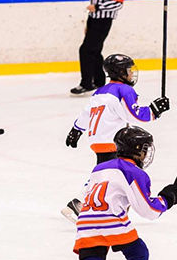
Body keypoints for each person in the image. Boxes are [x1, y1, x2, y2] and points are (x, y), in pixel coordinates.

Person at [25, 126, 177, 260]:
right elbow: (148, 210)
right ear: (138, 150)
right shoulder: (133, 172)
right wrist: (167, 198)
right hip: (109, 220)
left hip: (86, 222)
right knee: (138, 251)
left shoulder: (100, 168)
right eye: (145, 149)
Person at [61, 53, 170, 222]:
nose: (132, 74)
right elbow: (133, 114)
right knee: (108, 174)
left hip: (98, 138)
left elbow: (86, 113)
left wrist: (76, 129)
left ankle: (98, 203)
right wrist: (154, 111)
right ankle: (80, 204)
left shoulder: (99, 92)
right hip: (112, 140)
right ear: (120, 73)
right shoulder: (123, 90)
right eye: (129, 70)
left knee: (106, 171)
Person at [70, 0, 124, 96]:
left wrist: (99, 7)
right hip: (94, 20)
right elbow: (94, 3)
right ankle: (99, 81)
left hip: (104, 21)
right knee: (94, 51)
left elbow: (118, 2)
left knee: (85, 50)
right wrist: (89, 23)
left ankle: (86, 83)